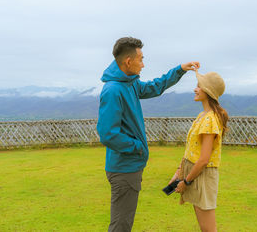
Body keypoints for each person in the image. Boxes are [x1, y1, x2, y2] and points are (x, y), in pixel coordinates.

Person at [96, 36, 200, 232]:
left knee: (124, 223)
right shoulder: (113, 90)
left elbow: (154, 87)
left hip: (130, 165)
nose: (143, 64)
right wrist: (137, 148)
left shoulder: (130, 83)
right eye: (141, 59)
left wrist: (179, 70)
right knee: (121, 225)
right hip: (124, 168)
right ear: (128, 61)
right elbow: (107, 134)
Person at [169, 70, 228, 232]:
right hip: (194, 173)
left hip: (201, 175)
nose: (195, 89)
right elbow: (191, 149)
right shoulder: (202, 115)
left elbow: (203, 159)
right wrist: (179, 172)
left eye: (199, 86)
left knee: (208, 229)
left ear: (208, 91)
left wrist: (185, 181)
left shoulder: (210, 119)